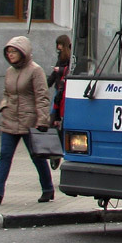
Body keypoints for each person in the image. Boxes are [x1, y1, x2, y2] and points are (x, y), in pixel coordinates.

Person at [0, 36, 55, 204]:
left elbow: (42, 97)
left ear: (23, 52)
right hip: (10, 119)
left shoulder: (36, 70)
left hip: (29, 122)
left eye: (14, 52)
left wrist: (42, 120)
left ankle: (48, 189)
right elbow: (7, 93)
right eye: (8, 52)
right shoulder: (9, 72)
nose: (10, 55)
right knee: (4, 156)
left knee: (37, 157)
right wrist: (4, 106)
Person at [46, 34, 72, 169]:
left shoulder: (70, 57)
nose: (58, 47)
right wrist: (46, 85)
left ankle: (58, 151)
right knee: (53, 117)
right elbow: (53, 75)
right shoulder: (60, 57)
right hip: (59, 90)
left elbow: (71, 71)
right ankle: (54, 151)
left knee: (61, 120)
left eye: (60, 44)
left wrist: (60, 70)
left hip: (65, 90)